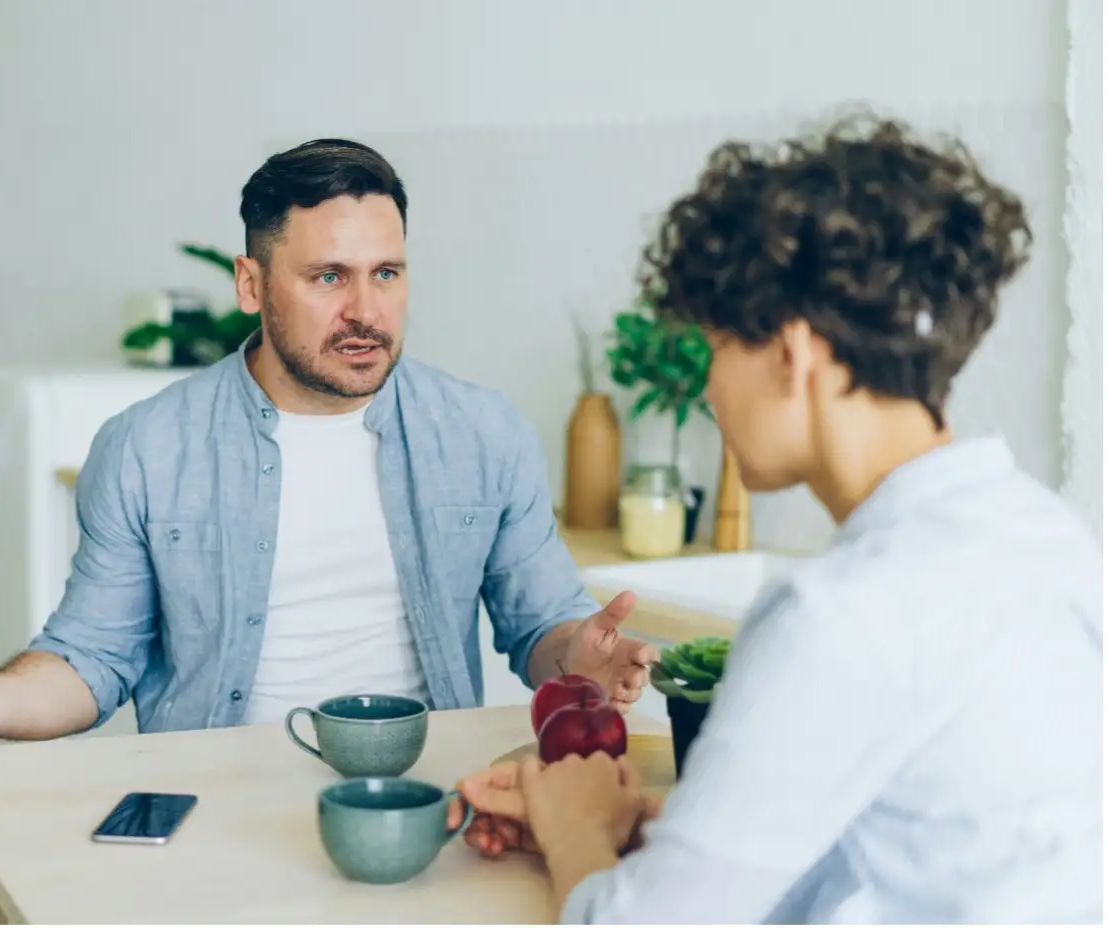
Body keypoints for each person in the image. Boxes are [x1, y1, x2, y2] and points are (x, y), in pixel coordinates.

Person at [452, 115, 1103, 923]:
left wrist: (574, 826)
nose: (708, 387)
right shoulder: (1045, 536)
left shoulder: (842, 612)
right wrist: (651, 836)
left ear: (791, 356)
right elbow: (905, 847)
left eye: (719, 345)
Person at [0, 138, 658, 748]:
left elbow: (540, 628)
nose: (366, 311)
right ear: (251, 283)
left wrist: (578, 652)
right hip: (211, 797)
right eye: (329, 277)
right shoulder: (148, 448)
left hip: (424, 795)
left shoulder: (482, 433)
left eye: (388, 274)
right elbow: (89, 662)